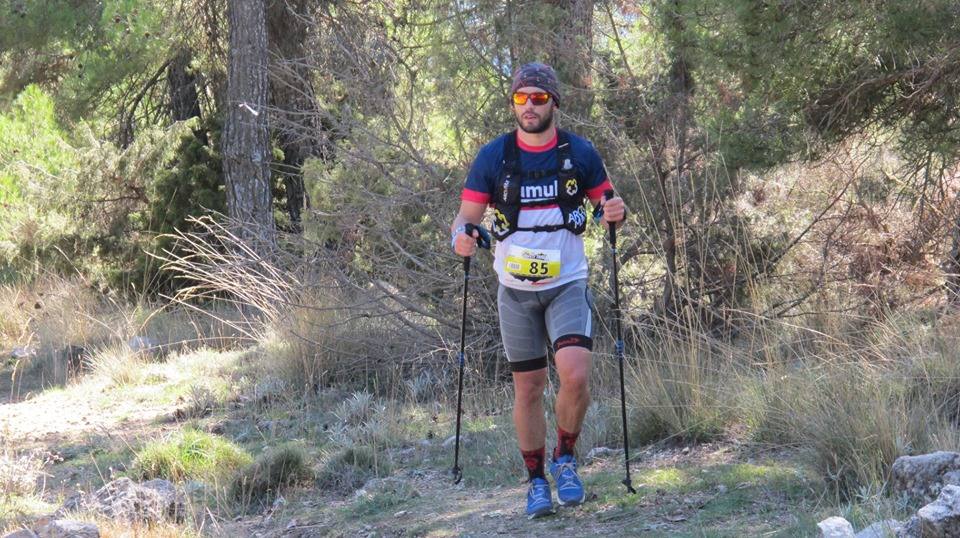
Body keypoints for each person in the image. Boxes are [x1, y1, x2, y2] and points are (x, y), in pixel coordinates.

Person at [450, 62, 626, 518]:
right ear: (513, 103)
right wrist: (461, 238)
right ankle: (536, 482)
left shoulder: (579, 152)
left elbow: (608, 202)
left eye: (539, 98)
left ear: (554, 103)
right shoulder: (494, 157)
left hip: (566, 282)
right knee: (528, 388)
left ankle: (564, 459)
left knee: (575, 374)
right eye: (521, 98)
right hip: (515, 291)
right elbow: (464, 218)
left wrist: (614, 211)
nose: (529, 106)